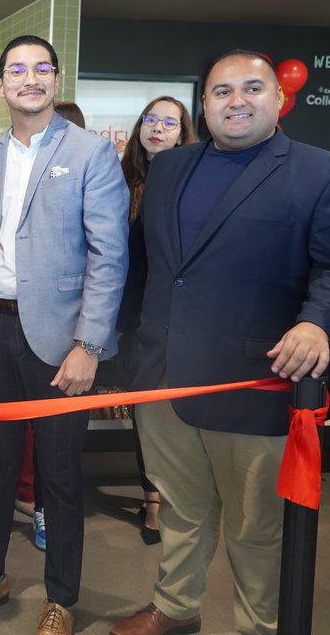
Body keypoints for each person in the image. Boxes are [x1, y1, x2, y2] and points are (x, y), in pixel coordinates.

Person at [111, 51, 330, 635]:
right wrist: (126, 349)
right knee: (179, 512)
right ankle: (176, 610)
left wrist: (317, 324)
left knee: (257, 529)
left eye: (252, 88)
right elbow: (148, 267)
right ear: (204, 104)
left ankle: (259, 626)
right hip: (163, 378)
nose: (237, 101)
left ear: (279, 99)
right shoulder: (171, 168)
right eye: (222, 92)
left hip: (255, 384)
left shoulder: (325, 172)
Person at [0, 35, 129, 635]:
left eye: (41, 68)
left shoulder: (92, 153)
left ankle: (62, 600)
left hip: (63, 340)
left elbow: (110, 255)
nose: (29, 78)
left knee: (60, 473)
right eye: (16, 70)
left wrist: (89, 345)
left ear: (55, 79)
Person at [116, 96, 196, 545]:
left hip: (176, 318)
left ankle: (170, 499)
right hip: (129, 316)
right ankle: (151, 498)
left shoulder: (192, 181)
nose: (158, 128)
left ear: (184, 133)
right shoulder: (118, 177)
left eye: (170, 122)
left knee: (172, 413)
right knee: (143, 413)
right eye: (150, 118)